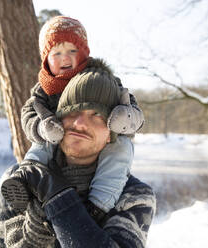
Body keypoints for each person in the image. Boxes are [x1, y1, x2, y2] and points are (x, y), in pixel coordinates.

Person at [0, 64, 156, 247]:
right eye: (72, 110)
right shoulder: (18, 181)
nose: (80, 123)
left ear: (112, 132)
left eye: (97, 114)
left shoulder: (134, 196)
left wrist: (57, 197)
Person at [20, 16, 144, 216]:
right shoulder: (43, 89)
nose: (65, 58)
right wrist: (41, 128)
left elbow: (132, 107)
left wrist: (126, 118)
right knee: (41, 147)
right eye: (56, 53)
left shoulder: (101, 79)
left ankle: (99, 203)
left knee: (120, 150)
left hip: (105, 135)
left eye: (72, 50)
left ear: (85, 52)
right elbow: (28, 114)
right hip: (57, 133)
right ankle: (24, 180)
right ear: (45, 58)